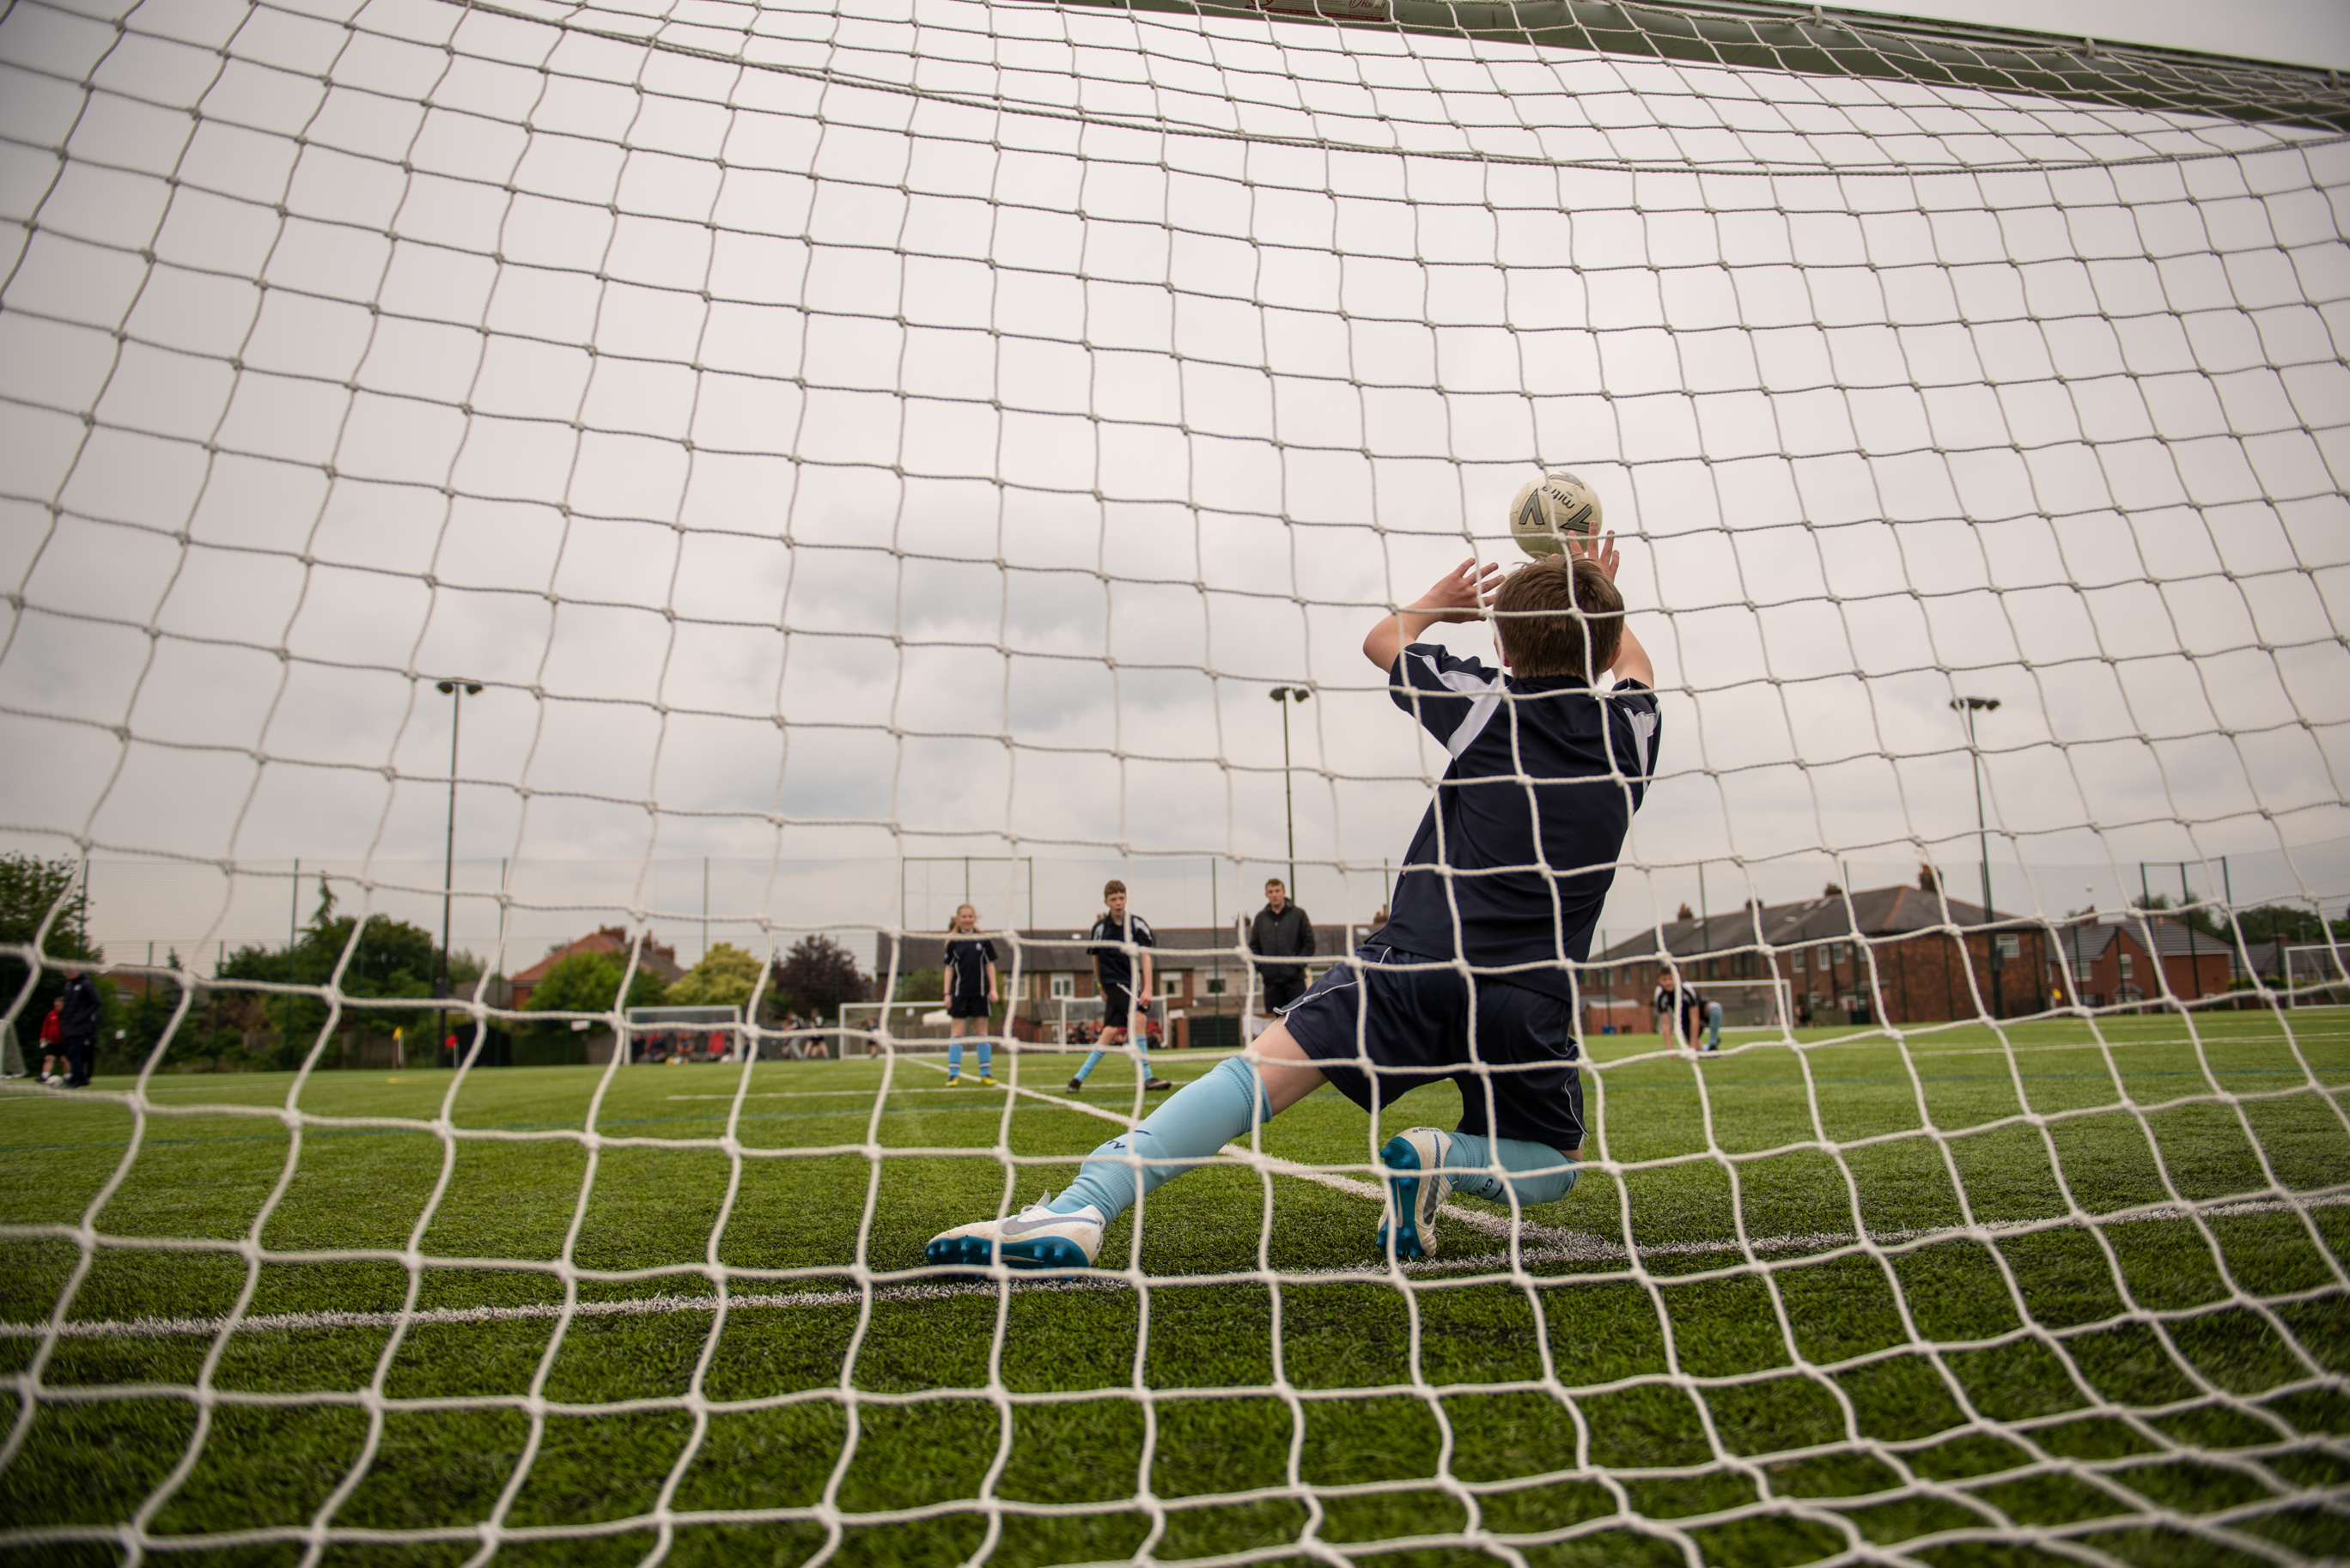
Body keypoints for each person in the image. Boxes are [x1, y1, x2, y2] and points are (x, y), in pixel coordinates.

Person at [928, 535, 1659, 1268]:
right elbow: (1633, 666)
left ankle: (1084, 1204)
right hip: (1530, 999)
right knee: (1558, 1159)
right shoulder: (1631, 734)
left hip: (1417, 964)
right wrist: (1592, 591)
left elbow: (1384, 639)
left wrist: (1444, 604)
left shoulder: (1487, 704)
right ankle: (1447, 1156)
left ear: (1501, 641)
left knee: (1251, 1079)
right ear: (1603, 646)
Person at [1065, 881, 1172, 1094]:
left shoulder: (1137, 925)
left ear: (1126, 898)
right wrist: (1100, 986)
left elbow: (1146, 957)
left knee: (1111, 1031)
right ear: (1106, 902)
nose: (1118, 903)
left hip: (1132, 983)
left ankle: (1077, 1079)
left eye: (1121, 898)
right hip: (1112, 982)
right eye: (1113, 899)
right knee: (1139, 1018)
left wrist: (1148, 988)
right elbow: (1095, 958)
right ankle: (1147, 1077)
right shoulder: (1100, 928)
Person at [942, 903, 1001, 1086]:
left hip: (980, 994)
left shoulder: (983, 940)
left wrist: (993, 989)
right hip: (960, 994)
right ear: (958, 919)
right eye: (964, 917)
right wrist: (946, 993)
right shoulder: (953, 942)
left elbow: (990, 966)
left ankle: (985, 1073)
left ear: (975, 918)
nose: (967, 920)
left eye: (970, 916)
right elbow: (949, 969)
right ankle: (953, 1074)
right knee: (957, 1034)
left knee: (981, 1034)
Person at [1248, 878, 1317, 1017]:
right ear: (1266, 894)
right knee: (1274, 1025)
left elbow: (1309, 944)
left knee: (1299, 1020)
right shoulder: (1261, 918)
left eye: (1277, 891)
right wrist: (1264, 968)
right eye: (1271, 892)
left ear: (1284, 892)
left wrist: (1296, 966)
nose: (1274, 895)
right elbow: (1254, 947)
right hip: (1271, 984)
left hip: (1295, 982)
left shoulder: (1299, 915)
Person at [58, 968, 100, 1089]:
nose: (67, 973)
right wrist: (64, 1020)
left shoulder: (85, 984)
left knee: (74, 1054)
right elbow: (67, 1005)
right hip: (68, 1026)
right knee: (67, 1053)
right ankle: (82, 1078)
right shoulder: (67, 986)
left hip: (80, 1027)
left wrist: (82, 1017)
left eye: (70, 971)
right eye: (66, 971)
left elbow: (96, 1002)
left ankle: (75, 1080)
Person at [1654, 967, 1703, 1053]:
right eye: (1664, 980)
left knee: (1715, 1010)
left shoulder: (1686, 988)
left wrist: (1692, 1047)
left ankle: (1713, 1043)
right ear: (1659, 981)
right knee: (1699, 1050)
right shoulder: (1660, 994)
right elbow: (1665, 1024)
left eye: (1671, 979)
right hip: (1685, 1019)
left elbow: (1695, 1018)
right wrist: (1670, 1051)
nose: (1668, 982)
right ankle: (1705, 1049)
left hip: (1700, 1012)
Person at [38, 1001, 64, 1086]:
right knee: (49, 1058)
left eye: (59, 1005)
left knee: (65, 1060)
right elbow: (45, 1026)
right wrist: (43, 1036)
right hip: (52, 1042)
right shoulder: (51, 1014)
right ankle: (44, 1077)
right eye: (55, 1005)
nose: (57, 1007)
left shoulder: (68, 1014)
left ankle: (68, 1077)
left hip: (63, 1042)